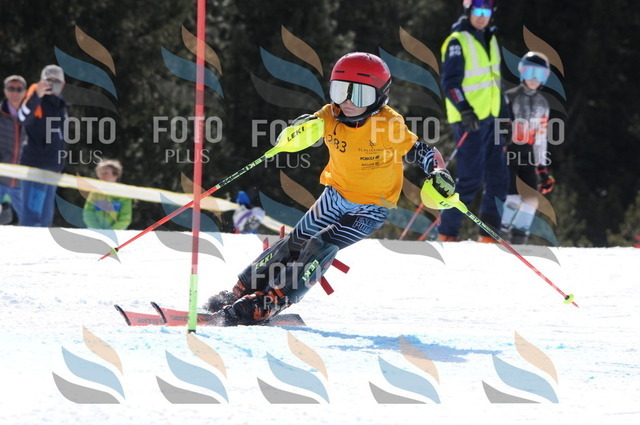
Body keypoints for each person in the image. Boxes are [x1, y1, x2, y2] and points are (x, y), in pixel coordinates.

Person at [203, 52, 455, 325]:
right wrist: (296, 131)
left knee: (320, 244)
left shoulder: (388, 124)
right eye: (339, 91)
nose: (347, 102)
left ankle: (274, 300)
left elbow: (422, 151)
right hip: (335, 195)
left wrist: (438, 172)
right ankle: (243, 290)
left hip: (372, 207)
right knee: (295, 241)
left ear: (380, 96)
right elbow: (304, 130)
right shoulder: (329, 115)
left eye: (359, 95)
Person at [438, 0, 508, 243]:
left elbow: (495, 83)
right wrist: (465, 110)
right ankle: (447, 234)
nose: (481, 16)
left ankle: (488, 235)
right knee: (470, 180)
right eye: (477, 11)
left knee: (499, 179)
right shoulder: (458, 41)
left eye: (486, 11)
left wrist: (504, 116)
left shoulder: (490, 38)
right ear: (468, 11)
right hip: (469, 121)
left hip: (491, 119)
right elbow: (450, 83)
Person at [500, 52, 555, 244]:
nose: (533, 79)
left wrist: (542, 168)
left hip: (528, 154)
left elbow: (540, 138)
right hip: (508, 152)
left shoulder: (543, 104)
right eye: (530, 72)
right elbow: (498, 126)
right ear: (522, 72)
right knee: (512, 197)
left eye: (539, 75)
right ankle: (499, 231)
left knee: (531, 199)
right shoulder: (509, 97)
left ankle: (519, 238)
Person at [18, 65, 68, 227]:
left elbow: (61, 138)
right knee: (32, 215)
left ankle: (41, 244)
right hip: (35, 165)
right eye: (49, 81)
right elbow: (22, 118)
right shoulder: (35, 100)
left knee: (46, 217)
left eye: (56, 81)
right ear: (41, 82)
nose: (52, 84)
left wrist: (60, 164)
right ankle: (26, 243)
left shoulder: (61, 105)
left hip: (53, 167)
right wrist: (36, 96)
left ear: (63, 84)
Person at [0, 75, 28, 224]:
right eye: (11, 88)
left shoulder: (33, 116)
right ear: (5, 91)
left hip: (22, 181)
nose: (15, 92)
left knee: (31, 223)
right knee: (4, 218)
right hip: (0, 178)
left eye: (19, 89)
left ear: (25, 92)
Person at [83, 159, 132, 230]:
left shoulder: (124, 193)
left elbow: (125, 217)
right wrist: (97, 229)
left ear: (116, 175)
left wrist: (112, 231)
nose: (102, 176)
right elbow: (88, 213)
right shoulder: (95, 192)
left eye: (105, 173)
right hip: (95, 232)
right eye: (100, 173)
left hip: (118, 233)